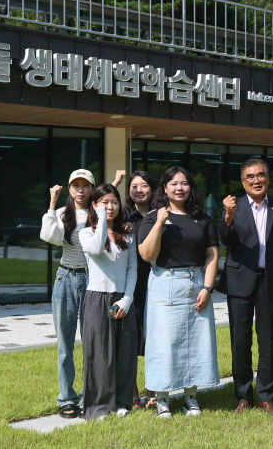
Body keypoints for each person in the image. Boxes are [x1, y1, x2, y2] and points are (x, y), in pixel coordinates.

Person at [138, 166, 220, 419]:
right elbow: (147, 255)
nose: (179, 188)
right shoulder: (153, 217)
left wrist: (207, 287)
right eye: (173, 183)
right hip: (165, 283)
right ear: (165, 188)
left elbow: (212, 254)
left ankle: (190, 397)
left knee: (196, 342)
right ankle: (162, 398)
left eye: (184, 183)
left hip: (196, 282)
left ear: (190, 187)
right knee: (163, 343)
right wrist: (161, 222)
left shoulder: (202, 217)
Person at [219, 158, 273, 416]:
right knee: (240, 341)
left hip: (271, 282)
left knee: (267, 341)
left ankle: (266, 395)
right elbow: (224, 240)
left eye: (261, 175)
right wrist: (228, 217)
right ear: (243, 182)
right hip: (240, 281)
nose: (256, 180)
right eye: (250, 177)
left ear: (268, 178)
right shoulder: (234, 206)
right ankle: (243, 395)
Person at [78, 183, 138, 419]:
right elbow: (95, 248)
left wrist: (127, 299)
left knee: (124, 353)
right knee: (99, 354)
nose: (110, 206)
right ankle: (98, 406)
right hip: (97, 299)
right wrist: (101, 218)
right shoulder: (87, 233)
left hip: (122, 299)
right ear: (94, 205)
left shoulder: (128, 234)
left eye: (114, 201)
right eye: (104, 202)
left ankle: (122, 401)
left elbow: (132, 268)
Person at [39, 169, 94, 419]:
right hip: (66, 278)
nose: (80, 190)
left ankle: (88, 396)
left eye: (85, 185)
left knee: (92, 343)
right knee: (65, 344)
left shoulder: (99, 212)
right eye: (76, 186)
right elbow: (51, 237)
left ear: (92, 188)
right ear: (70, 189)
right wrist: (52, 203)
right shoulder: (62, 214)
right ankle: (66, 398)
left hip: (94, 281)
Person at [112, 169, 156, 409]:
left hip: (155, 282)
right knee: (129, 338)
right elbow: (100, 204)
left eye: (144, 185)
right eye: (134, 186)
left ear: (152, 188)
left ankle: (153, 391)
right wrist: (116, 181)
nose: (139, 190)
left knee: (152, 339)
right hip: (129, 284)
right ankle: (132, 394)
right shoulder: (124, 215)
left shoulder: (160, 214)